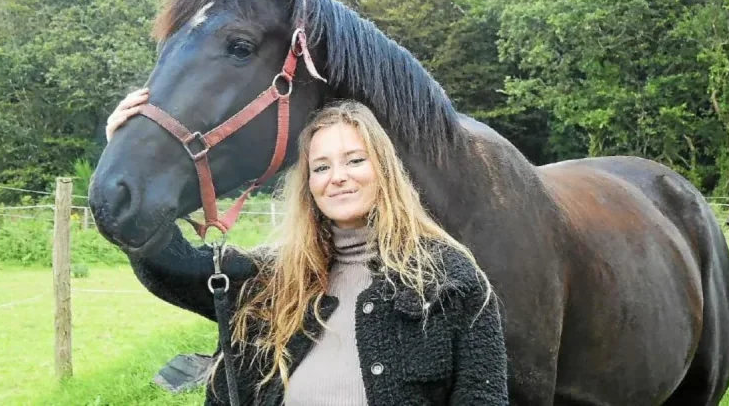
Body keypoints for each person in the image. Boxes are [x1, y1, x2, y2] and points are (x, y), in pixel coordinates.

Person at [106, 89, 510, 405]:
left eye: (355, 160)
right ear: (309, 185)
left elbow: (482, 397)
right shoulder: (268, 280)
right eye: (321, 166)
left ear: (384, 171)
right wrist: (130, 157)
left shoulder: (451, 281)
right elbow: (170, 266)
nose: (338, 177)